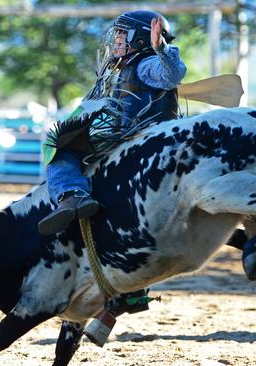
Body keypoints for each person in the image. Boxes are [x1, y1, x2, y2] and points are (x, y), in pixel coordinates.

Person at [38, 10, 186, 235]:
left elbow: (172, 75)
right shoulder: (128, 66)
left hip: (133, 133)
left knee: (61, 147)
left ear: (140, 39)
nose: (115, 41)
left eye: (121, 36)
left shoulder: (146, 64)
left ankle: (72, 196)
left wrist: (161, 49)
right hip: (133, 129)